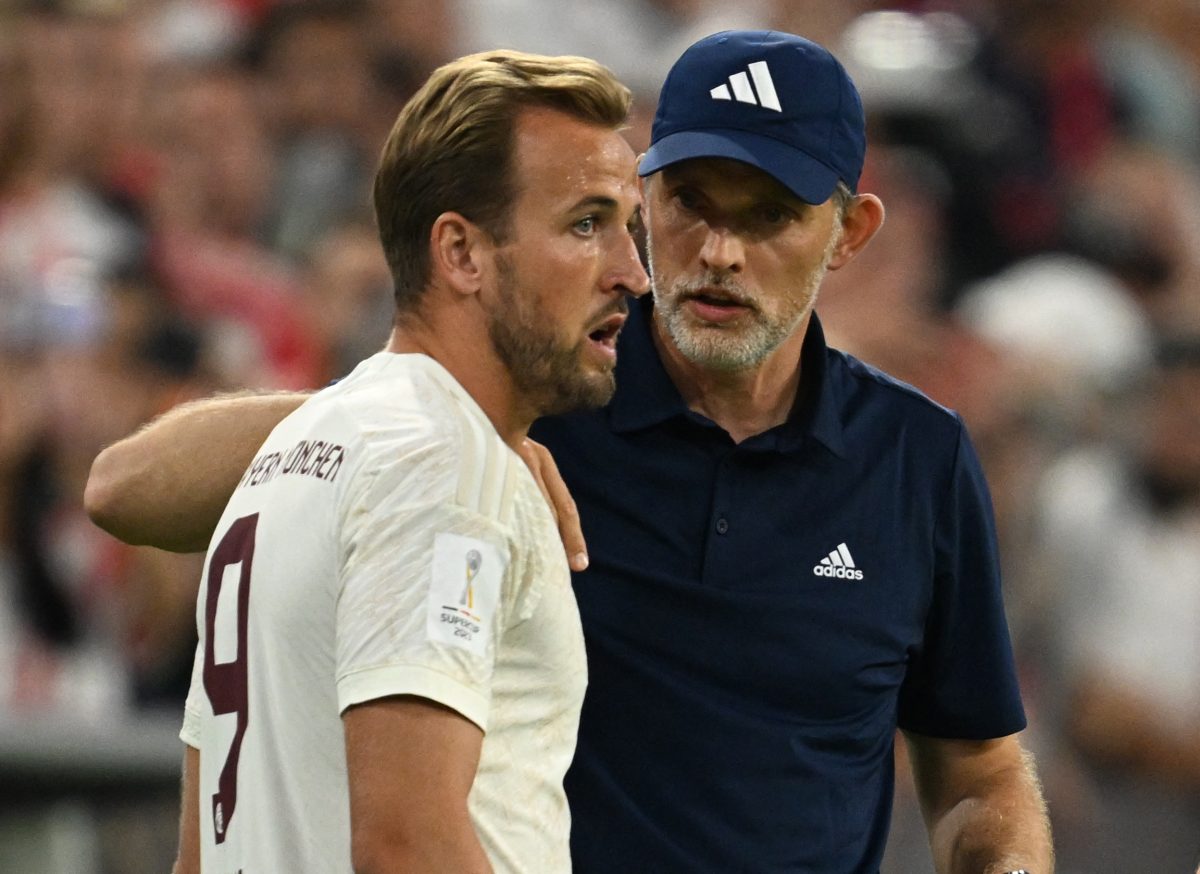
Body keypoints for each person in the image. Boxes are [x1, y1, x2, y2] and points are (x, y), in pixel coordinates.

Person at [87, 31, 1053, 874]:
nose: (718, 249)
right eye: (689, 202)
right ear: (643, 196)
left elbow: (979, 769)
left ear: (849, 233)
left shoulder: (917, 458)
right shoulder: (534, 389)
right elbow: (129, 490)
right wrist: (439, 423)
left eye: (768, 214)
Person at [141, 49, 648, 874]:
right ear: (461, 254)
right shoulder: (446, 468)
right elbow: (407, 846)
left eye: (630, 226)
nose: (632, 272)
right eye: (587, 223)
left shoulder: (292, 456)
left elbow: (200, 856)